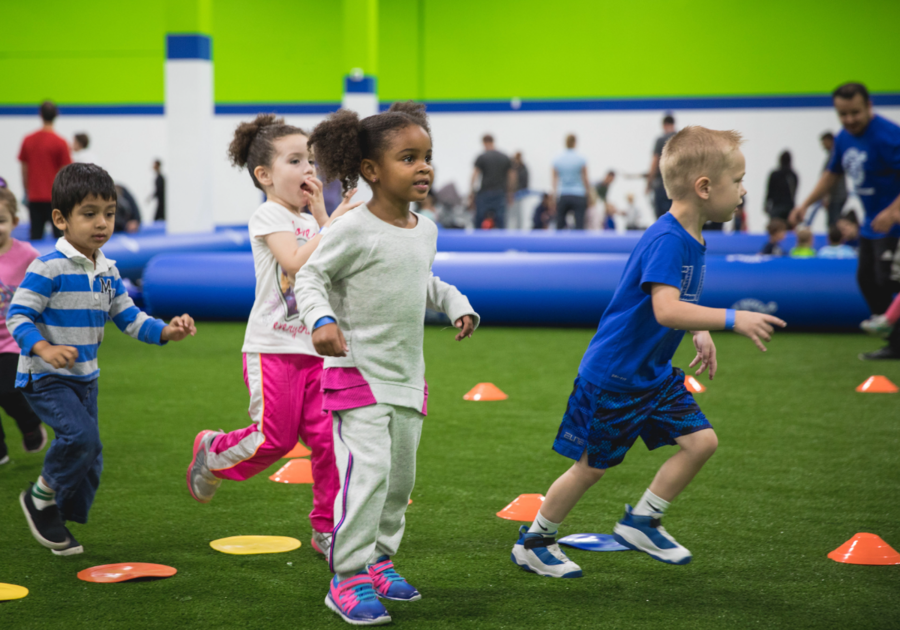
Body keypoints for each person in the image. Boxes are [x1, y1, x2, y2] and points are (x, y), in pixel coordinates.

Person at [510, 126, 786, 578]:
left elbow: (677, 301)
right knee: (589, 469)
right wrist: (731, 319)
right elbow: (664, 309)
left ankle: (642, 520)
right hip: (615, 376)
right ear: (704, 187)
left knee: (701, 442)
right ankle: (535, 540)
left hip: (652, 375)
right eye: (737, 180)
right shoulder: (668, 239)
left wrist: (699, 330)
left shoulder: (693, 235)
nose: (744, 190)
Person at [298, 102, 479, 625]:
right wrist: (321, 320)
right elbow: (310, 278)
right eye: (408, 157)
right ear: (372, 171)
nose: (424, 167)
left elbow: (419, 279)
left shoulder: (426, 229)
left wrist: (454, 303)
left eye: (427, 157)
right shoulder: (351, 228)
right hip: (355, 374)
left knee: (399, 481)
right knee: (368, 473)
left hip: (407, 378)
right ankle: (347, 575)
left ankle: (379, 559)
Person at [186, 114, 361, 557]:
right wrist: (332, 221)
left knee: (328, 441)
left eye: (311, 162)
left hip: (316, 352)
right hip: (273, 350)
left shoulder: (310, 217)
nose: (309, 170)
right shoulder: (268, 215)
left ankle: (326, 527)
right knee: (275, 439)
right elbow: (296, 262)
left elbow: (333, 261)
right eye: (295, 160)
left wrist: (327, 214)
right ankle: (213, 451)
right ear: (264, 175)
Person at [8, 163, 196, 556]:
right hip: (46, 376)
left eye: (109, 213)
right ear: (60, 219)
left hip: (85, 378)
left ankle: (57, 513)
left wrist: (167, 331)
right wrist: (43, 348)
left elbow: (130, 318)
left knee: (91, 456)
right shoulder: (48, 267)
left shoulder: (108, 270)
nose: (102, 223)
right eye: (89, 213)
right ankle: (39, 499)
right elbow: (18, 316)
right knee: (81, 438)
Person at [789, 82, 900, 360]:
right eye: (843, 114)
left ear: (868, 106)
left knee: (889, 281)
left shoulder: (890, 136)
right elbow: (831, 175)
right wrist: (805, 204)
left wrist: (892, 211)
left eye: (855, 113)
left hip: (894, 224)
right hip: (871, 225)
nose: (849, 120)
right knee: (867, 279)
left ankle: (896, 342)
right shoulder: (843, 139)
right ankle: (892, 338)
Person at [0, 188, 45, 466]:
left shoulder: (27, 255)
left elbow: (45, 287)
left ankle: (30, 424)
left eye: (1, 220)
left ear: (15, 222)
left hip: (14, 339)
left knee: (7, 390)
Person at [18, 101, 72, 240]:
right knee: (60, 237)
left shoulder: (28, 140)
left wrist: (27, 191)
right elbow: (65, 173)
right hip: (54, 198)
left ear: (40, 114)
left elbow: (24, 169)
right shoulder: (60, 142)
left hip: (35, 196)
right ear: (56, 115)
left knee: (36, 236)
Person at [470, 135, 514, 229]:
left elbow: (474, 175)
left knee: (479, 220)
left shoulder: (482, 157)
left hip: (485, 192)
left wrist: (472, 192)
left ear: (484, 143)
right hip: (500, 192)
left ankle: (476, 241)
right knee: (501, 221)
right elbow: (512, 176)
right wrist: (510, 193)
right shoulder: (504, 157)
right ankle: (502, 242)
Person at [552, 134, 593, 230]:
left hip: (563, 194)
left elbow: (554, 180)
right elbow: (585, 179)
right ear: (575, 143)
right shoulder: (581, 159)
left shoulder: (557, 160)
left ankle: (558, 244)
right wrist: (589, 194)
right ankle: (579, 244)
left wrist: (554, 197)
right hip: (578, 194)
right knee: (579, 225)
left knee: (559, 225)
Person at [647, 113, 677, 219]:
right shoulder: (682, 139)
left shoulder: (661, 140)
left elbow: (655, 162)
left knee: (662, 217)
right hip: (679, 185)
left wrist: (649, 183)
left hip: (663, 184)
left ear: (664, 125)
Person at [820, 132, 848, 226]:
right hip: (839, 195)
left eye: (824, 143)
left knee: (833, 223)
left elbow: (829, 180)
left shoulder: (834, 157)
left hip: (836, 196)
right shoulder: (835, 156)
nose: (823, 146)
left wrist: (826, 197)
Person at [764, 151, 798, 222]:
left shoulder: (774, 174)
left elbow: (769, 192)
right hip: (789, 208)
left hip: (776, 208)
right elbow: (794, 194)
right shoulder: (793, 176)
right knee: (788, 231)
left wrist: (766, 205)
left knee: (776, 229)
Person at [508, 152, 530, 229]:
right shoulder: (513, 167)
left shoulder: (522, 168)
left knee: (517, 213)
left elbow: (525, 181)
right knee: (511, 213)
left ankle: (518, 228)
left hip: (518, 193)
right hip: (513, 194)